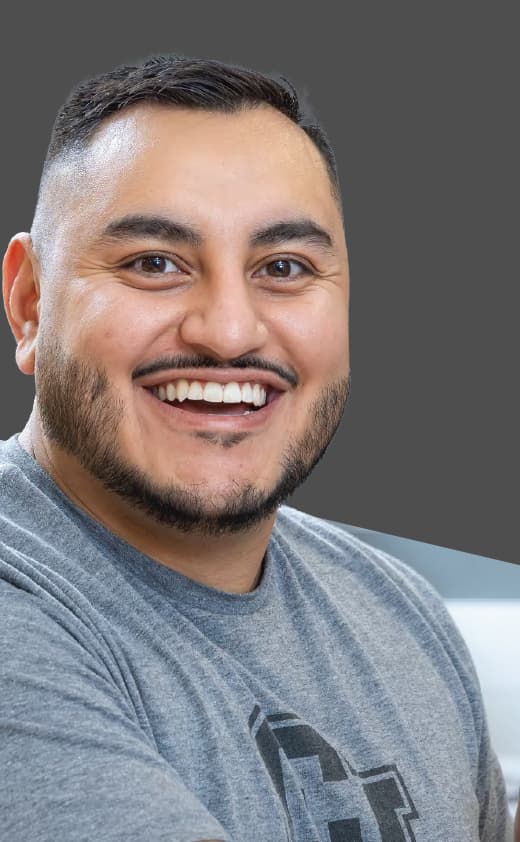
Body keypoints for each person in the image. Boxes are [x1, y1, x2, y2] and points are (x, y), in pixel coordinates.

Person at [0, 55, 513, 842]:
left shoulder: (401, 613)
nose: (230, 331)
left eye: (283, 267)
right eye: (155, 264)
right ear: (30, 304)